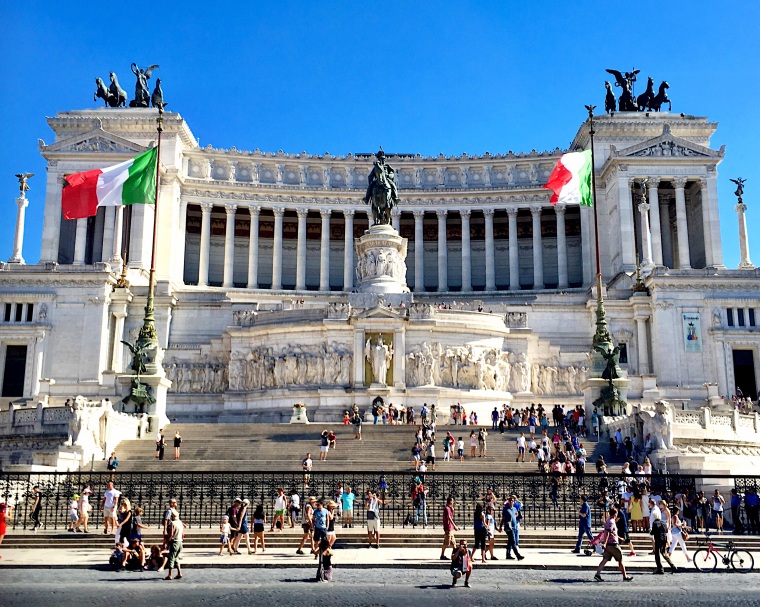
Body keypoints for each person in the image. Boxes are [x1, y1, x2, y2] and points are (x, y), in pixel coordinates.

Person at [593, 506, 633, 582]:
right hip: (613, 545)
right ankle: (625, 576)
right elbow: (608, 532)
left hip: (609, 544)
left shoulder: (608, 520)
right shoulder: (612, 522)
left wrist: (619, 538)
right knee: (620, 560)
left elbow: (612, 533)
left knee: (604, 560)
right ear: (615, 514)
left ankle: (597, 574)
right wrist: (605, 543)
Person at [650, 509, 677, 574]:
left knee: (657, 554)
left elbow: (652, 533)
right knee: (664, 553)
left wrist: (650, 530)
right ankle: (673, 566)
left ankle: (660, 569)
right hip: (664, 539)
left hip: (658, 539)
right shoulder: (663, 523)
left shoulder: (655, 523)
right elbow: (666, 531)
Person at [499, 495, 524, 560]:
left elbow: (516, 514)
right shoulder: (506, 509)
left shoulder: (515, 509)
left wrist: (514, 520)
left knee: (510, 541)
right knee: (513, 541)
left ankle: (508, 554)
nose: (511, 502)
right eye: (510, 501)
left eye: (512, 501)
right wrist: (500, 527)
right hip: (509, 528)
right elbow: (503, 518)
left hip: (514, 527)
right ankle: (518, 555)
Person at [164, 511, 183, 580]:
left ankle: (170, 575)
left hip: (174, 542)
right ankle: (179, 572)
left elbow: (171, 534)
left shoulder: (173, 523)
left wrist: (168, 540)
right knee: (176, 558)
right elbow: (183, 534)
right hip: (180, 542)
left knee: (171, 558)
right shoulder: (180, 523)